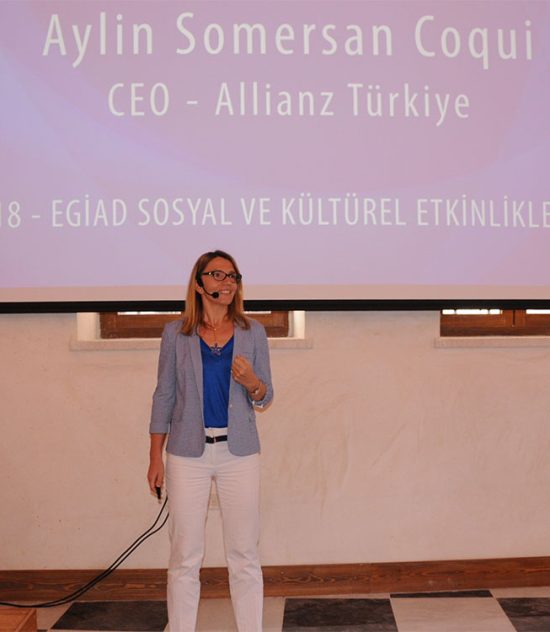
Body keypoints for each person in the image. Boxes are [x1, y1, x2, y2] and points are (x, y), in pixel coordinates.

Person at [147, 250, 274, 632]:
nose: (227, 282)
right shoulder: (176, 334)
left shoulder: (253, 332)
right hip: (188, 454)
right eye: (218, 275)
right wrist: (155, 458)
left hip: (239, 454)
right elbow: (164, 395)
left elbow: (265, 396)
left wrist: (252, 381)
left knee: (244, 554)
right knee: (185, 555)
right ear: (199, 284)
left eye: (233, 276)